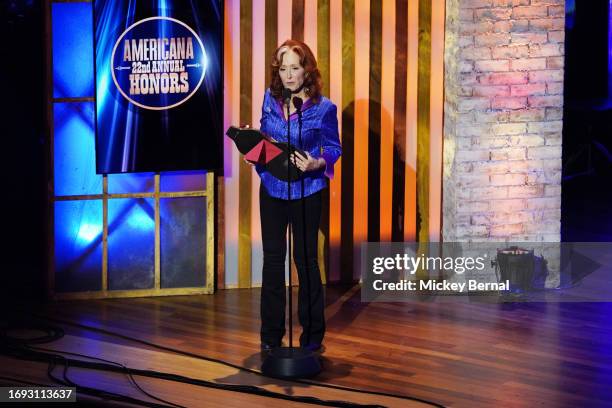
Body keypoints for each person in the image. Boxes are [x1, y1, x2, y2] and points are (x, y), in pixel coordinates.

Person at [248, 39, 342, 352]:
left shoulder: (324, 108)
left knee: (306, 261)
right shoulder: (269, 99)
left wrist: (319, 162)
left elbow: (333, 148)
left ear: (307, 70)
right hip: (273, 188)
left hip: (308, 191)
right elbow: (264, 133)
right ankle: (270, 338)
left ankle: (312, 338)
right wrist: (253, 145)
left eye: (295, 68)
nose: (289, 75)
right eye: (284, 68)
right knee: (273, 262)